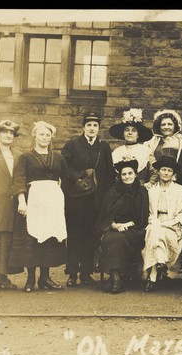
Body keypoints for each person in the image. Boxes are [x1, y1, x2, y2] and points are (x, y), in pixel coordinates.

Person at [10, 121, 69, 293]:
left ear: (51, 138)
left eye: (48, 135)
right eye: (41, 134)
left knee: (49, 238)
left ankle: (45, 278)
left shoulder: (58, 157)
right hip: (34, 201)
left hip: (52, 202)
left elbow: (66, 177)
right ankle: (30, 280)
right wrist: (22, 201)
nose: (45, 137)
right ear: (35, 136)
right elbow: (19, 180)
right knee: (32, 239)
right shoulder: (26, 157)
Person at [61, 112, 115, 288]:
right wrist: (81, 175)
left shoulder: (104, 147)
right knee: (75, 235)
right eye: (89, 125)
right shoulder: (73, 145)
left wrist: (107, 198)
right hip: (76, 199)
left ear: (99, 129)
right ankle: (72, 273)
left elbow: (108, 174)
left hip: (95, 201)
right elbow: (64, 167)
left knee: (90, 236)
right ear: (83, 127)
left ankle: (85, 273)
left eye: (95, 126)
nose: (92, 128)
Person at [95, 159, 149, 294]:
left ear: (136, 174)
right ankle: (116, 277)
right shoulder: (112, 192)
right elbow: (104, 215)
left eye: (130, 173)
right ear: (120, 176)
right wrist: (114, 224)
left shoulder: (142, 192)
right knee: (111, 239)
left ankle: (116, 278)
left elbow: (143, 215)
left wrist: (129, 224)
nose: (127, 176)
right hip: (114, 228)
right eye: (124, 174)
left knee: (119, 239)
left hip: (134, 229)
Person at [142, 155, 182, 292]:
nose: (166, 173)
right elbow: (149, 213)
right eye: (163, 170)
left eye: (169, 171)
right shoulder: (151, 191)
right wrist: (156, 222)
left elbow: (181, 213)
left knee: (158, 233)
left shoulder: (179, 190)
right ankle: (159, 264)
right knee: (154, 231)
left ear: (173, 174)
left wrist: (167, 223)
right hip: (155, 221)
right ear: (158, 171)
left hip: (172, 224)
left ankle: (154, 274)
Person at [0, 120, 23, 290]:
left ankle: (2, 277)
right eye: (5, 132)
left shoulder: (18, 155)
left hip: (13, 203)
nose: (8, 135)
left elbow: (20, 178)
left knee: (7, 240)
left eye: (11, 133)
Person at [110, 108, 154, 184]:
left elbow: (154, 173)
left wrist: (149, 184)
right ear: (123, 134)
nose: (130, 133)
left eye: (134, 130)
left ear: (138, 135)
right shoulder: (117, 152)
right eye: (127, 130)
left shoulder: (146, 151)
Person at [144, 109, 182, 185]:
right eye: (163, 124)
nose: (166, 127)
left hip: (177, 180)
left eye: (169, 124)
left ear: (175, 126)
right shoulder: (151, 142)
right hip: (156, 180)